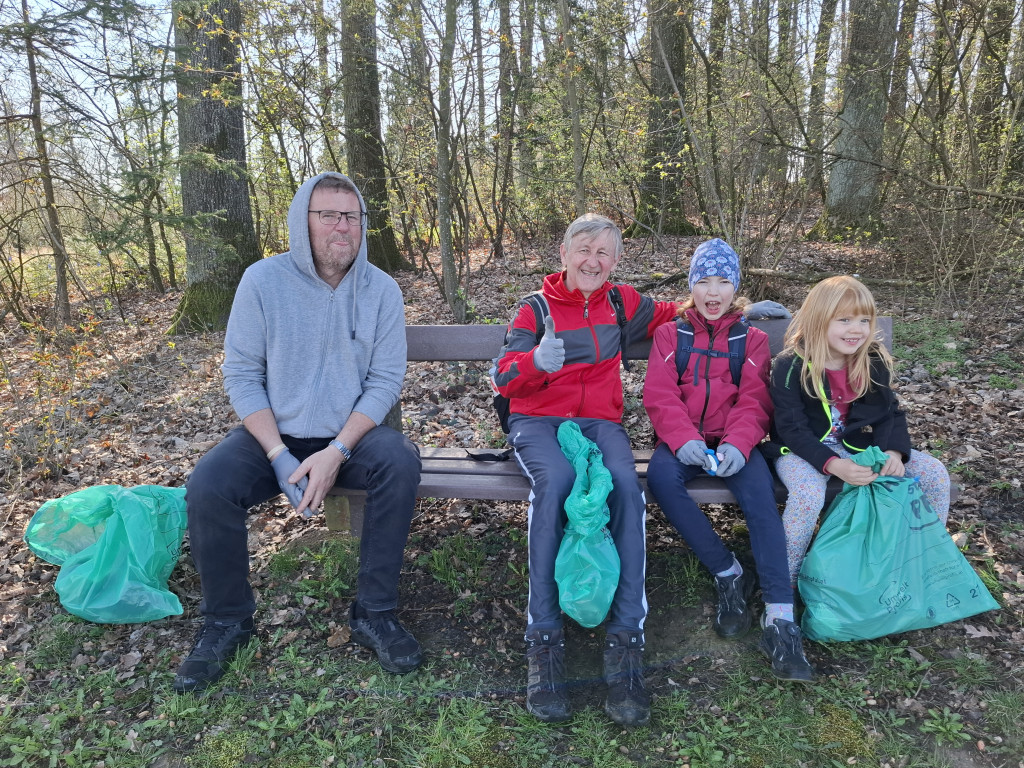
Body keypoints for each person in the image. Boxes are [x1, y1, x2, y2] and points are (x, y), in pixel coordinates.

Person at [173, 172, 423, 694]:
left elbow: (385, 381)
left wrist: (337, 450)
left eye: (352, 216)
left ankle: (374, 613)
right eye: (328, 215)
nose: (342, 227)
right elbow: (242, 374)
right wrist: (277, 453)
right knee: (209, 484)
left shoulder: (381, 290)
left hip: (350, 437)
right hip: (274, 434)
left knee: (399, 459)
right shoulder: (263, 281)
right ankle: (227, 621)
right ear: (301, 222)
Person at [491, 213, 677, 726]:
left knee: (626, 488)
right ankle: (544, 638)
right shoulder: (534, 308)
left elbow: (677, 310)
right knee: (556, 483)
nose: (593, 261)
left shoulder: (622, 302)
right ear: (564, 253)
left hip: (598, 422)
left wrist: (735, 307)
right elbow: (504, 377)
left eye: (604, 253)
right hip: (538, 421)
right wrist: (536, 362)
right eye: (584, 249)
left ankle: (626, 638)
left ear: (615, 261)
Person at [643, 239, 814, 683]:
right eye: (703, 281)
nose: (713, 291)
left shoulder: (752, 340)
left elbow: (755, 400)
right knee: (660, 479)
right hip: (685, 442)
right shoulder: (671, 335)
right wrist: (682, 439)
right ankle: (728, 571)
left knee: (760, 499)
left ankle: (780, 616)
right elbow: (660, 394)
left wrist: (739, 444)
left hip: (736, 444)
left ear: (735, 286)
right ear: (691, 286)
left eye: (723, 281)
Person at [770, 275, 951, 586]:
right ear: (818, 320)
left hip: (856, 446)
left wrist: (893, 451)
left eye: (864, 320)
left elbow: (889, 412)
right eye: (844, 320)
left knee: (934, 474)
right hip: (801, 450)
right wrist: (833, 464)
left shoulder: (871, 359)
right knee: (808, 495)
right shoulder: (791, 365)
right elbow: (791, 428)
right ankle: (786, 578)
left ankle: (923, 561)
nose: (856, 329)